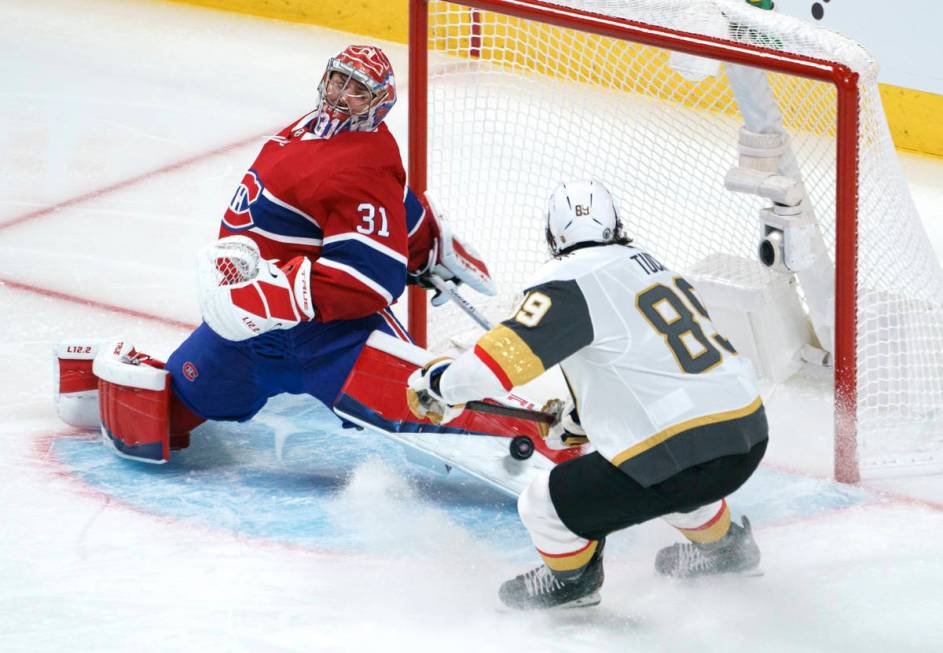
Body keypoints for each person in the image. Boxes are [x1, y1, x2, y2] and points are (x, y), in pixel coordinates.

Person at [54, 45, 493, 462]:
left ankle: (525, 429)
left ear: (378, 103)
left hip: (333, 337)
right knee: (168, 414)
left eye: (358, 90)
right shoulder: (312, 129)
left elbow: (369, 279)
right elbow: (391, 200)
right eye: (338, 80)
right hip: (250, 335)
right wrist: (424, 241)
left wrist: (271, 295)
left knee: (436, 416)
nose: (341, 96)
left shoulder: (364, 163)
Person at [406, 179, 768, 610]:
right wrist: (581, 420)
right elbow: (644, 365)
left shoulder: (567, 281)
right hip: (747, 436)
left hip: (682, 457)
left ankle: (572, 582)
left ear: (552, 235)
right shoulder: (651, 267)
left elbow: (498, 366)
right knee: (670, 481)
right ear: (616, 225)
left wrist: (441, 384)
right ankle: (726, 548)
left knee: (543, 505)